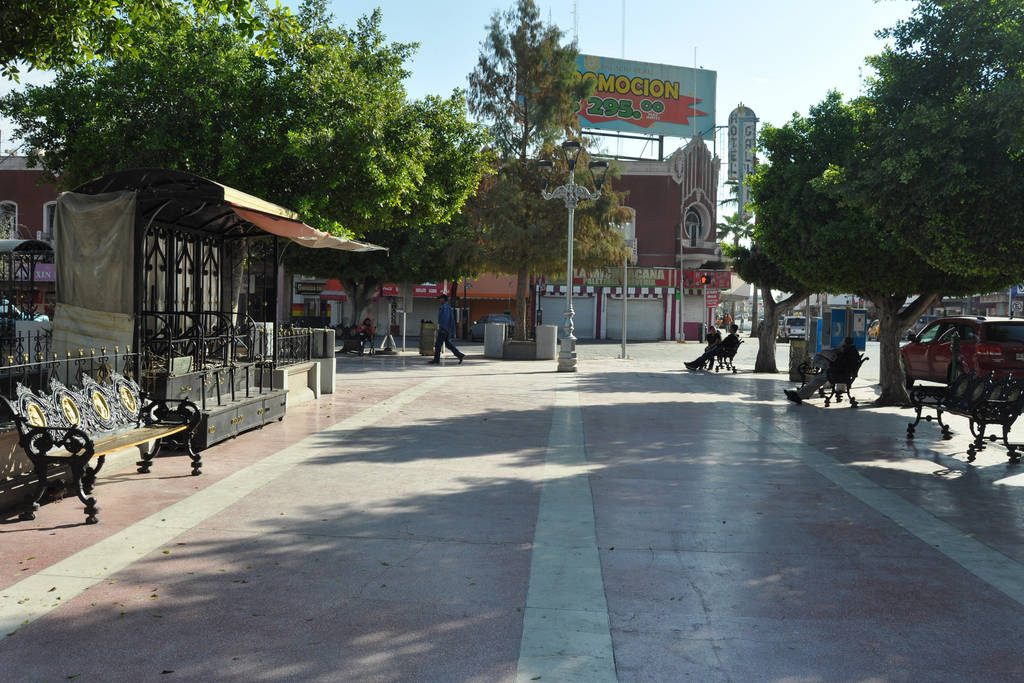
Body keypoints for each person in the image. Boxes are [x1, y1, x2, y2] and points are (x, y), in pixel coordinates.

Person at [785, 336, 860, 404]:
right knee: (817, 377)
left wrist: (831, 364)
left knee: (817, 379)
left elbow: (842, 365)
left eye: (842, 344)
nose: (841, 346)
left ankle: (799, 395)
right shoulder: (850, 351)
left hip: (839, 374)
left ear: (845, 344)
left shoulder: (849, 352)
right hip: (839, 372)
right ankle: (800, 394)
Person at [429, 293, 465, 365]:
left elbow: (445, 319)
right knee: (448, 344)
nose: (439, 300)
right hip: (446, 329)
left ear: (443, 299)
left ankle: (436, 360)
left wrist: (443, 329)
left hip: (444, 329)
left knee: (438, 345)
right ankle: (459, 355)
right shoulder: (447, 307)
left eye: (440, 299)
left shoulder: (445, 307)